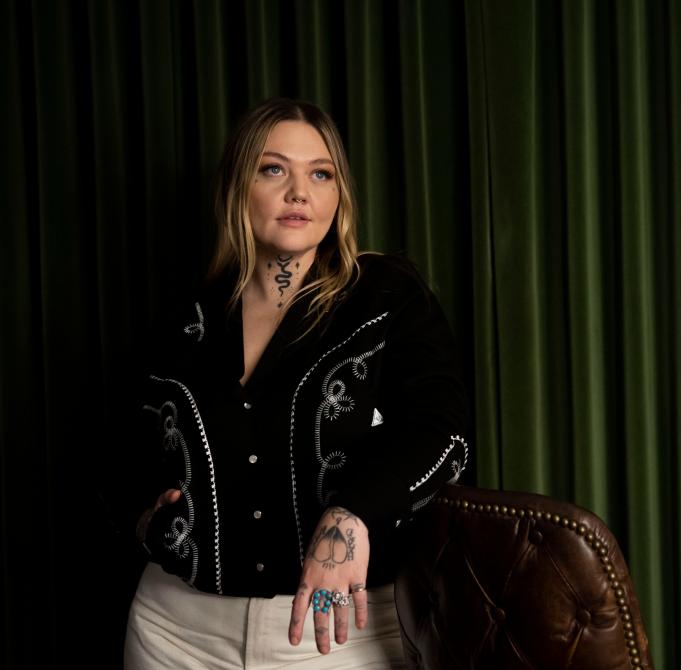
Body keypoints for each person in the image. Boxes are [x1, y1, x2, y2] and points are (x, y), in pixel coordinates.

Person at [118, 97, 469, 668]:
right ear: (240, 186)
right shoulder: (186, 316)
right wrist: (142, 516)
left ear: (339, 194)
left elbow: (442, 434)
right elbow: (121, 439)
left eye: (321, 173)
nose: (299, 191)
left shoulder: (384, 296)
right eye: (274, 169)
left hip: (335, 634)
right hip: (173, 631)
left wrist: (349, 513)